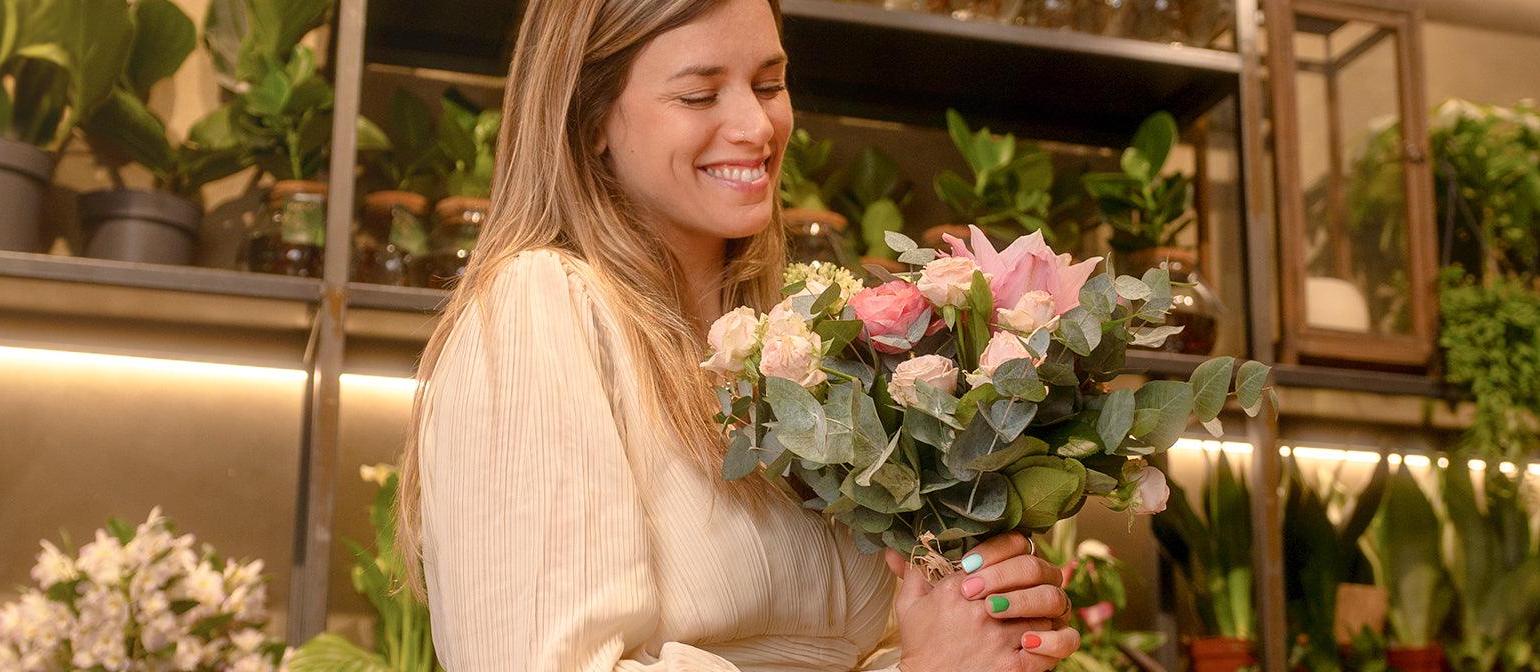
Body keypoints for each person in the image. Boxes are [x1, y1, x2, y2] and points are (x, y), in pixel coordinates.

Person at [396, 0, 1078, 669]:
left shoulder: (801, 349)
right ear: (590, 117)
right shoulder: (538, 307)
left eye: (769, 84)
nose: (756, 126)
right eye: (698, 95)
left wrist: (979, 631)